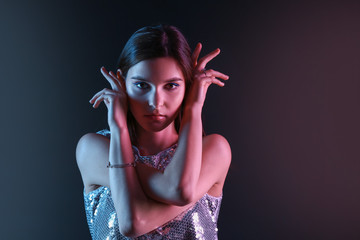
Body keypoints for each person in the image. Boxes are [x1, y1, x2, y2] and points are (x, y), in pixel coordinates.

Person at [76, 24, 231, 239]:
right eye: (142, 85)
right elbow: (132, 224)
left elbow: (179, 190)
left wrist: (193, 108)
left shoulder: (214, 151)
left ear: (188, 86)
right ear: (121, 83)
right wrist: (119, 129)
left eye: (171, 86)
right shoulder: (93, 149)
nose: (155, 102)